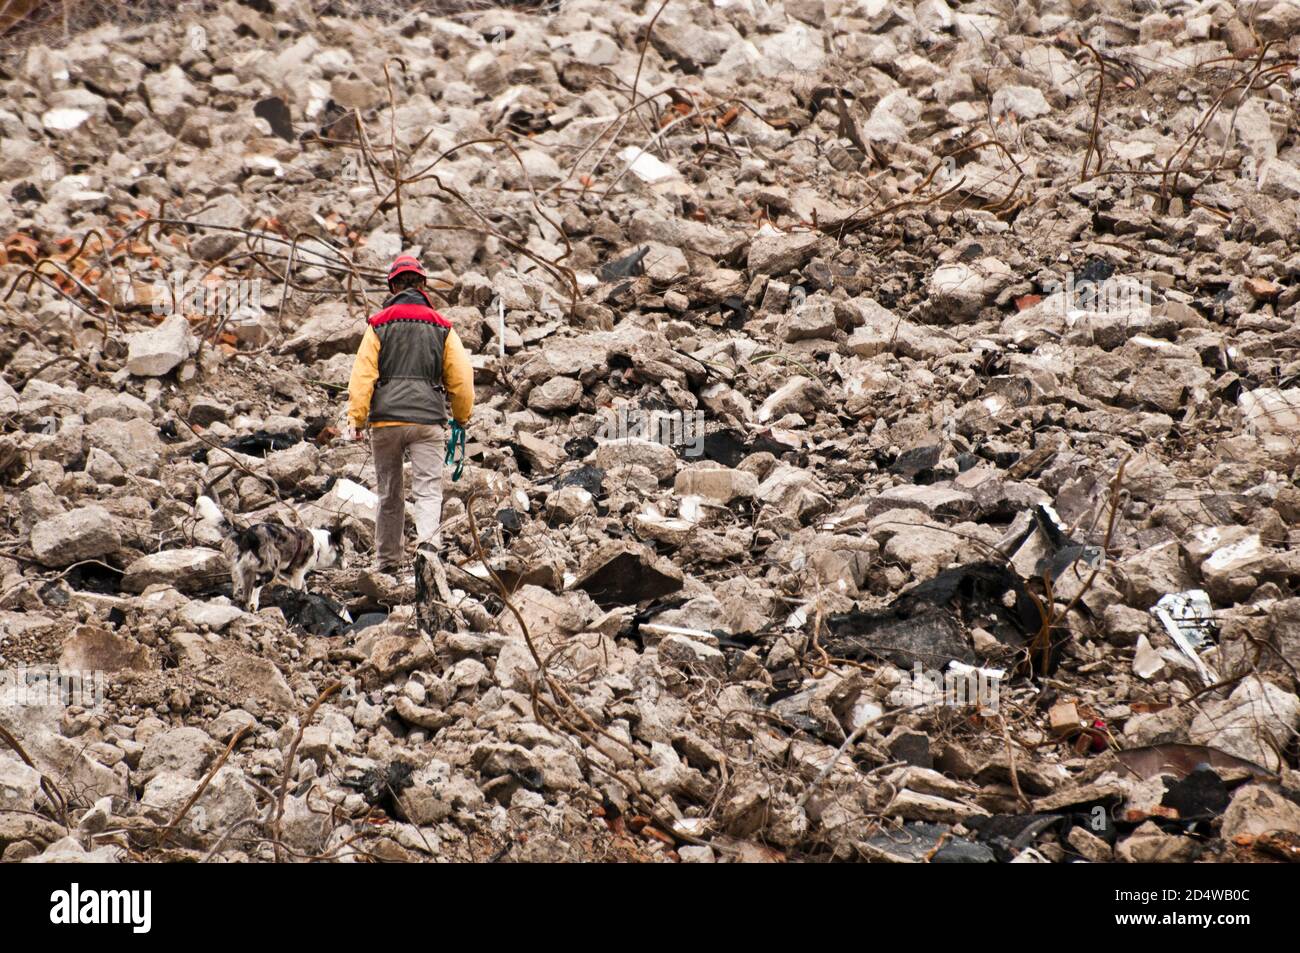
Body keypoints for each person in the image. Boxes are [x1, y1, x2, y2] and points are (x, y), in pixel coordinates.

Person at [345, 255, 473, 573]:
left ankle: (387, 563)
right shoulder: (443, 327)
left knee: (389, 492)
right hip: (428, 421)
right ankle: (428, 556)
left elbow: (362, 376)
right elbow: (461, 378)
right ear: (422, 284)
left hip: (385, 421)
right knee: (428, 489)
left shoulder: (378, 324)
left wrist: (356, 419)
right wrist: (461, 418)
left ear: (393, 286)